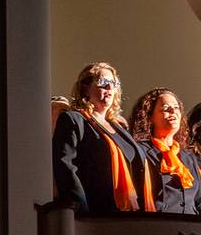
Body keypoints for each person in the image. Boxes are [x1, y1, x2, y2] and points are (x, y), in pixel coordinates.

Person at [52, 62, 154, 215]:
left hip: (133, 214)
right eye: (103, 82)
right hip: (97, 214)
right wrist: (81, 211)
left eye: (114, 83)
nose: (109, 87)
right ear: (86, 88)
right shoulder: (73, 120)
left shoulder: (120, 128)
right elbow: (65, 168)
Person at [130, 88, 201, 215]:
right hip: (159, 225)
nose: (173, 111)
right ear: (149, 116)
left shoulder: (189, 157)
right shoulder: (140, 152)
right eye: (165, 108)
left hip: (191, 226)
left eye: (176, 107)